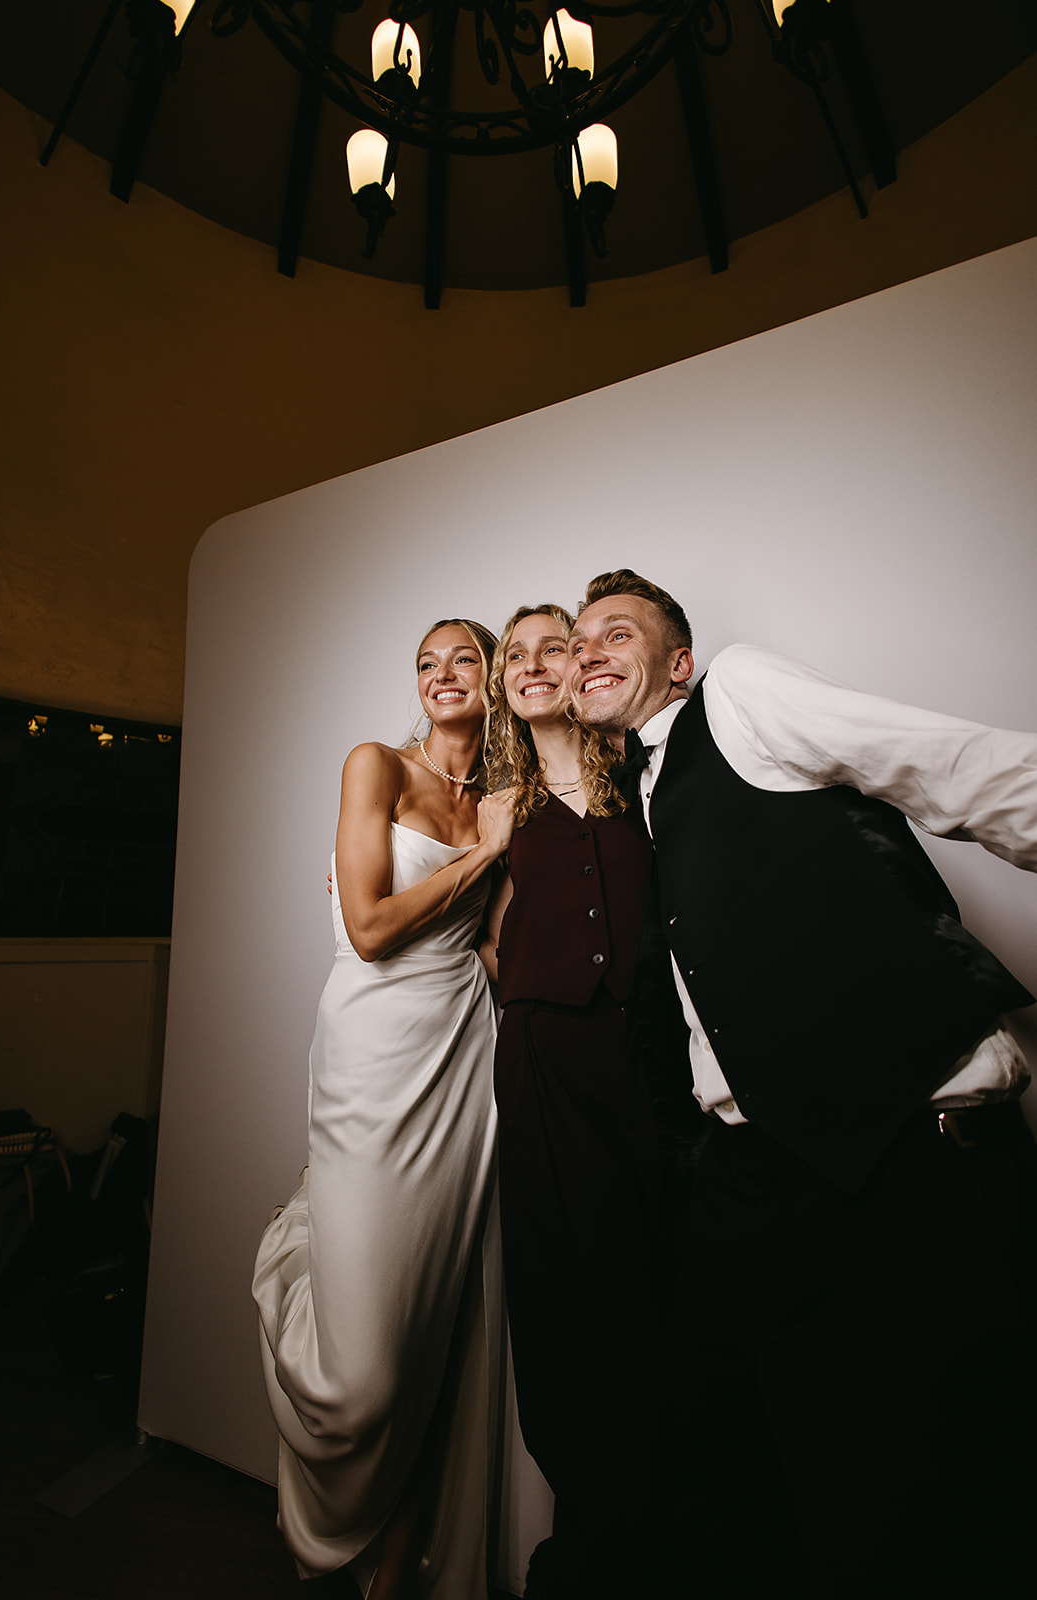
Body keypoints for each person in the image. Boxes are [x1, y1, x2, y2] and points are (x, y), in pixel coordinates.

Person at [566, 569, 1037, 1600]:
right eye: (578, 637)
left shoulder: (738, 696)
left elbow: (959, 768)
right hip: (757, 1175)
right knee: (737, 1472)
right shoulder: (641, 797)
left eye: (618, 631)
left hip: (911, 1154)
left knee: (938, 1500)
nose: (590, 647)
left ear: (677, 662)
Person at [253, 618, 515, 1600]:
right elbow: (365, 929)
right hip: (370, 1049)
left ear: (489, 682)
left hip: (463, 1053)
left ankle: (399, 1558)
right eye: (426, 661)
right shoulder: (376, 765)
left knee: (436, 1317)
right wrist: (480, 857)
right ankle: (295, 1248)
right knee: (362, 1373)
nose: (442, 675)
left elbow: (491, 950)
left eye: (463, 659)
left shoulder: (498, 800)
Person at [481, 604, 675, 1600]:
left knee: (653, 1283)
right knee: (559, 1294)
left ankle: (659, 1531)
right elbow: (479, 931)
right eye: (511, 654)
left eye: (548, 646)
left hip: (641, 1058)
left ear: (581, 665)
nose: (528, 664)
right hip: (544, 1059)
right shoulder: (498, 802)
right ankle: (584, 1543)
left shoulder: (640, 777)